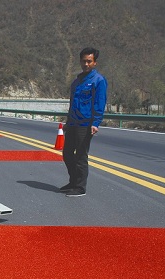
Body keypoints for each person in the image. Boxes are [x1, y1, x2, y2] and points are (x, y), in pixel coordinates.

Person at [60, 47, 107, 197]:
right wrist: (68, 122)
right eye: (83, 61)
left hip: (86, 124)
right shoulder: (76, 82)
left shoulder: (98, 81)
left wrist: (96, 123)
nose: (86, 64)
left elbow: (100, 102)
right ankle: (73, 182)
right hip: (73, 123)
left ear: (95, 63)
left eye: (89, 61)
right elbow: (72, 104)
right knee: (67, 153)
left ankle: (80, 187)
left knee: (81, 156)